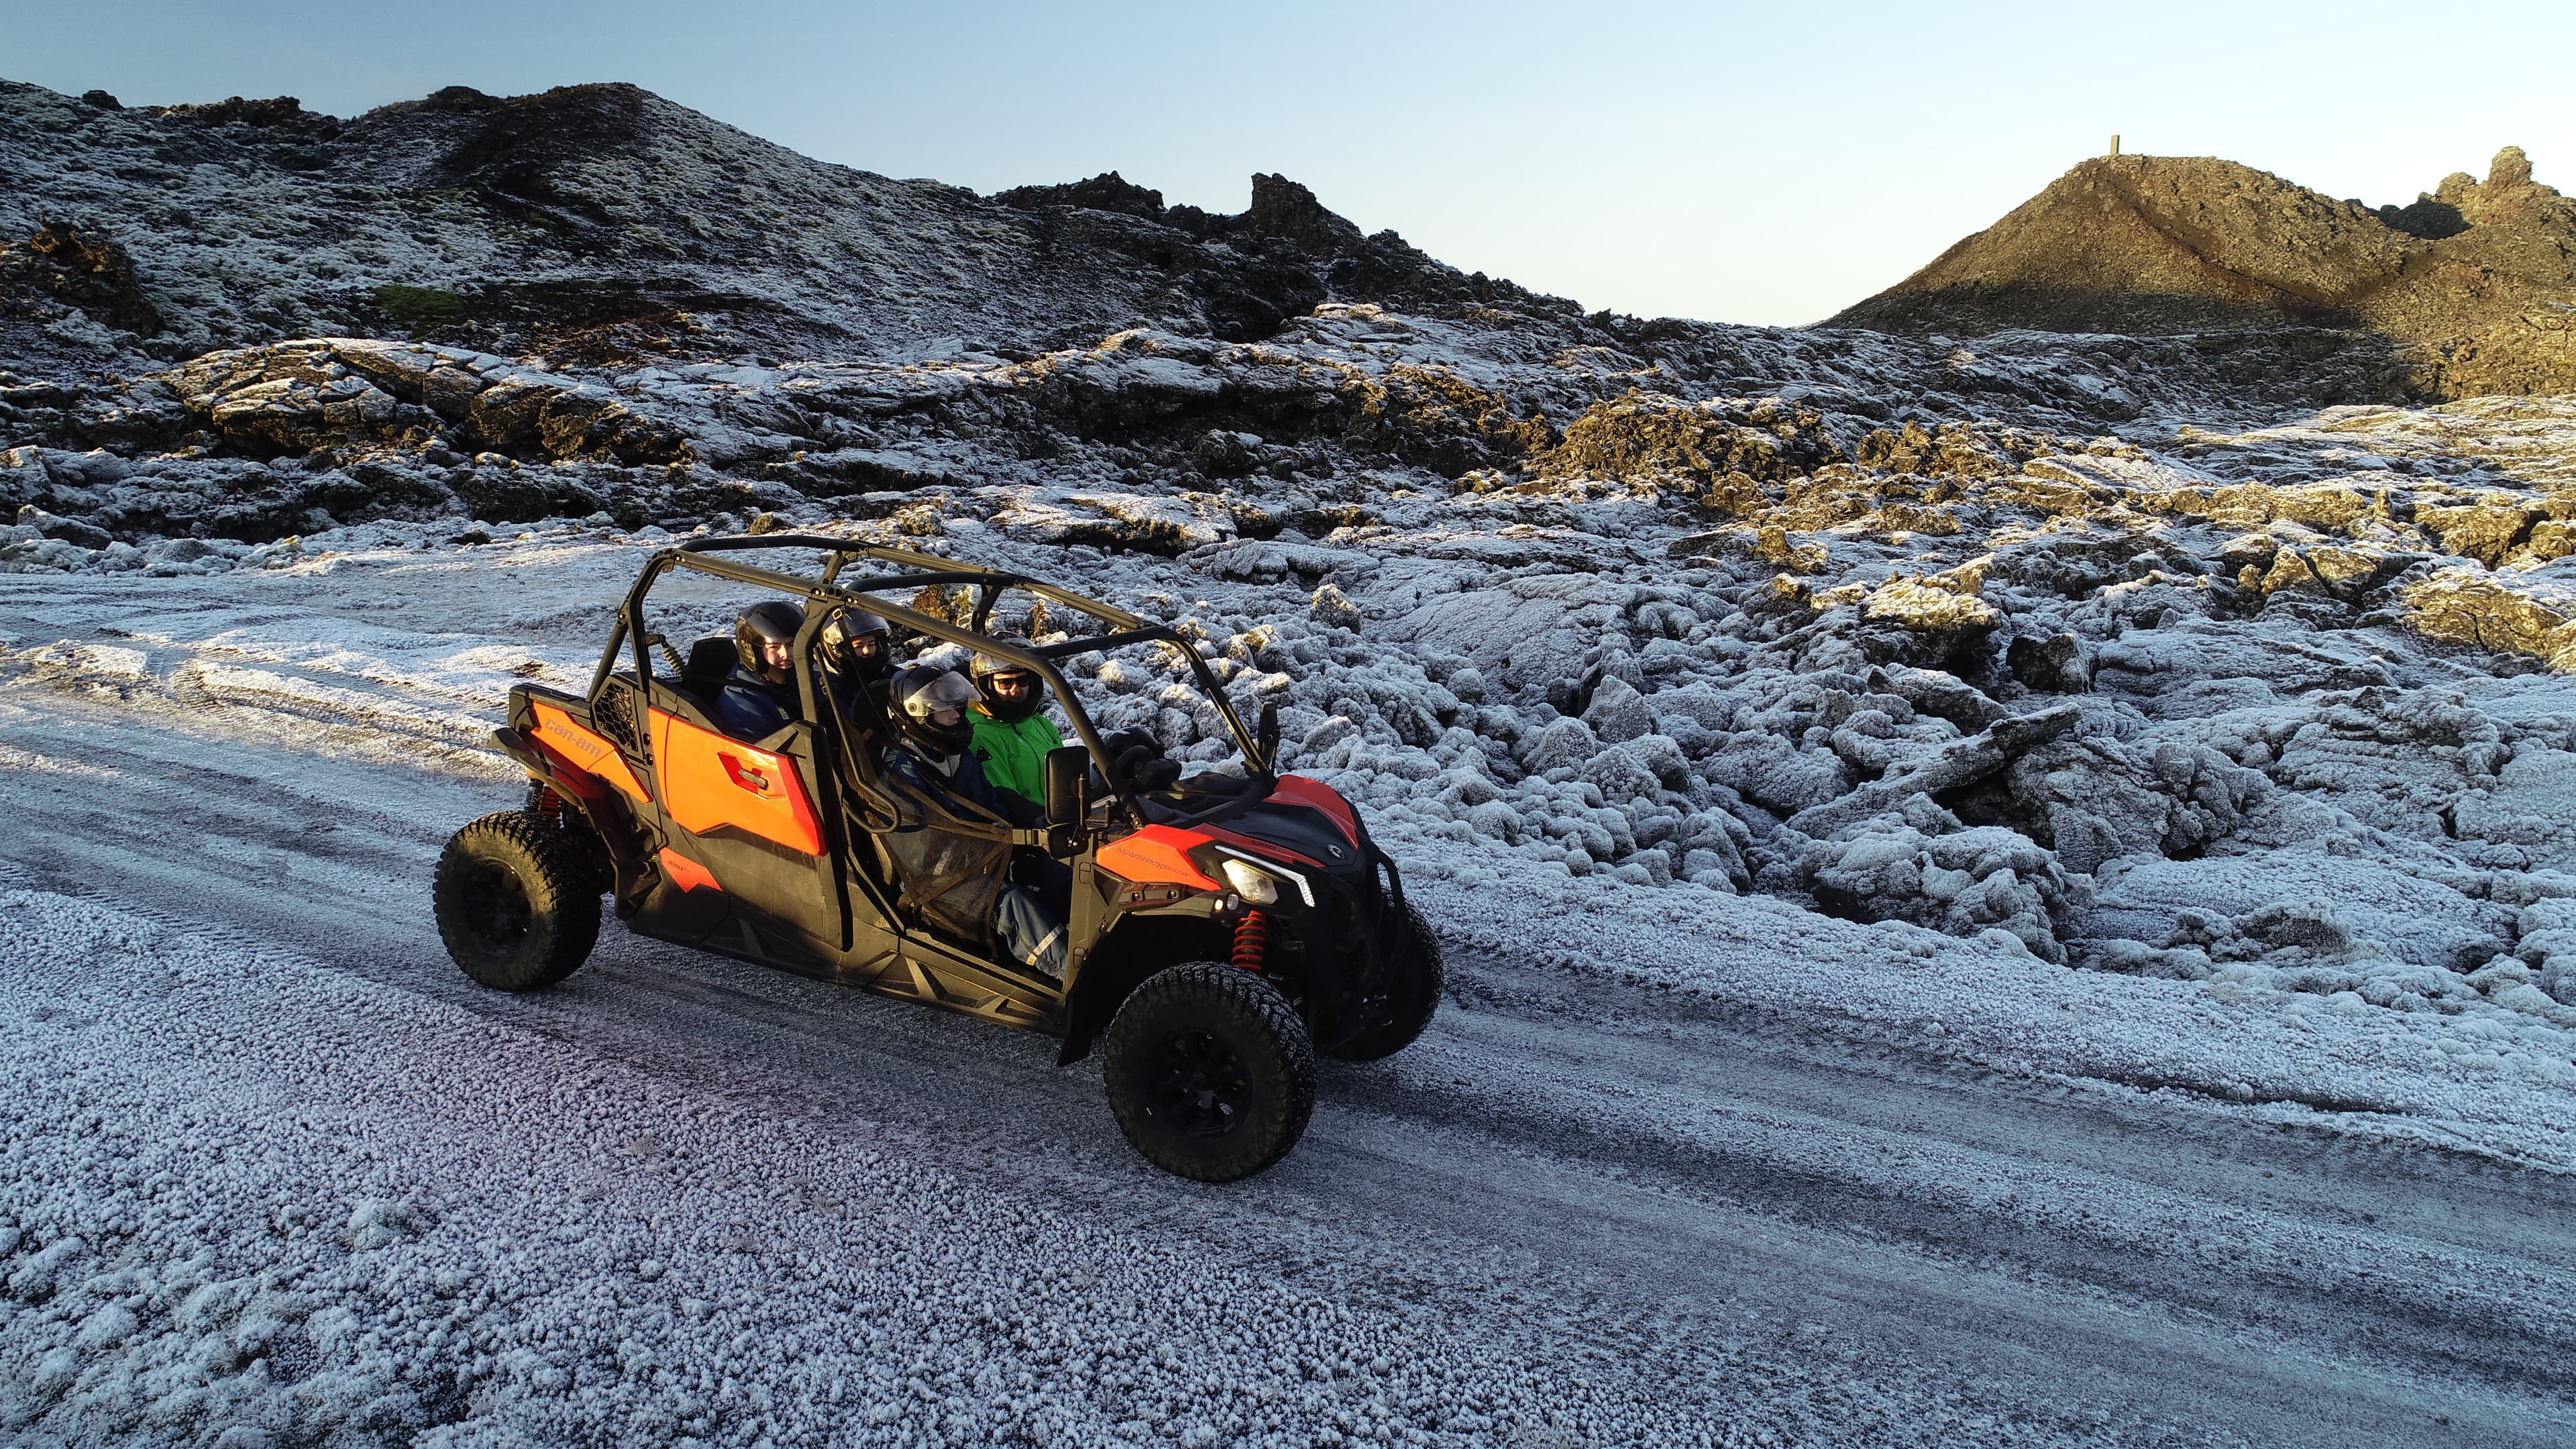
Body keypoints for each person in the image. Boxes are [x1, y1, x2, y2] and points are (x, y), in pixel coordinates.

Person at [881, 665, 1068, 979]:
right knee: (1014, 903)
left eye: (956, 706)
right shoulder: (901, 772)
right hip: (937, 879)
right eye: (944, 709)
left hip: (983, 857)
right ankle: (1075, 977)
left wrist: (1024, 840)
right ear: (919, 714)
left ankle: (1093, 947)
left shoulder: (957, 756)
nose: (956, 714)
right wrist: (989, 849)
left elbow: (992, 809)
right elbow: (920, 850)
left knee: (1058, 870)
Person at [966, 650, 1064, 813]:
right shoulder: (983, 734)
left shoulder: (1038, 723)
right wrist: (1037, 817)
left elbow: (1067, 771)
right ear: (987, 686)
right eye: (1005, 683)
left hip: (1064, 817)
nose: (1015, 689)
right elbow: (1003, 796)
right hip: (1029, 829)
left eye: (1022, 680)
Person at [715, 600, 804, 740]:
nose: (786, 654)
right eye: (774, 647)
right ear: (753, 651)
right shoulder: (742, 704)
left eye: (791, 644)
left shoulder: (809, 680)